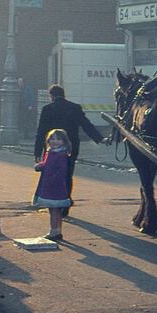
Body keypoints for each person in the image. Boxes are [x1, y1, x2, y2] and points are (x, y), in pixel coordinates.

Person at [33, 84, 104, 217]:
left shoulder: (47, 109)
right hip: (70, 148)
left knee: (51, 174)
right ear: (63, 94)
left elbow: (41, 131)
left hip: (52, 148)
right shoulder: (74, 107)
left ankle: (54, 201)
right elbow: (86, 125)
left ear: (51, 96)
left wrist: (37, 152)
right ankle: (66, 201)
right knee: (67, 174)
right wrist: (99, 139)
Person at [33, 129, 72, 241]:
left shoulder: (61, 154)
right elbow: (47, 164)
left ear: (64, 141)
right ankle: (56, 230)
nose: (55, 141)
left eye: (58, 139)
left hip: (55, 186)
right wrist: (40, 166)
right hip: (50, 184)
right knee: (53, 209)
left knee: (54, 209)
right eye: (52, 138)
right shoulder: (50, 152)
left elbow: (62, 170)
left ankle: (54, 231)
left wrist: (53, 179)